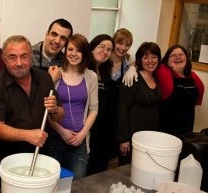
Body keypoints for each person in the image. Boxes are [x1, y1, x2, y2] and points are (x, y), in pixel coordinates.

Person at [0, 35, 64, 193]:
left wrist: (55, 108)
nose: (19, 62)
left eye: (24, 56)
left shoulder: (44, 78)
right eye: (12, 57)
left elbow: (59, 117)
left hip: (42, 152)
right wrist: (28, 135)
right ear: (4, 59)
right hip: (9, 157)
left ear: (31, 56)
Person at [43, 34, 98, 179]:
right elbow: (45, 110)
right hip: (55, 138)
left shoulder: (91, 76)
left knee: (78, 184)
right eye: (70, 49)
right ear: (65, 51)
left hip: (79, 140)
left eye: (78, 50)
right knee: (52, 182)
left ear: (85, 53)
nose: (73, 54)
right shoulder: (55, 74)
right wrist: (61, 131)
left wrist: (83, 133)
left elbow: (94, 109)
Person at [123, 45, 204, 137]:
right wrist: (132, 68)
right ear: (167, 59)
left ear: (186, 57)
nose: (178, 57)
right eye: (173, 55)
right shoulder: (162, 70)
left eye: (181, 54)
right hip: (165, 126)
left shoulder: (193, 76)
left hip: (186, 126)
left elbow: (198, 98)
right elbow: (146, 61)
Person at [117, 42, 162, 165]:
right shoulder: (132, 78)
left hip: (149, 136)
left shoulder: (155, 78)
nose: (150, 61)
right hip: (132, 138)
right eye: (145, 57)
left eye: (154, 57)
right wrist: (124, 139)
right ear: (140, 59)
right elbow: (122, 108)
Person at [87, 34, 115, 174]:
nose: (105, 51)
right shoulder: (83, 68)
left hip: (102, 129)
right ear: (92, 47)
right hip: (87, 127)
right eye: (102, 47)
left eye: (109, 49)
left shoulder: (105, 71)